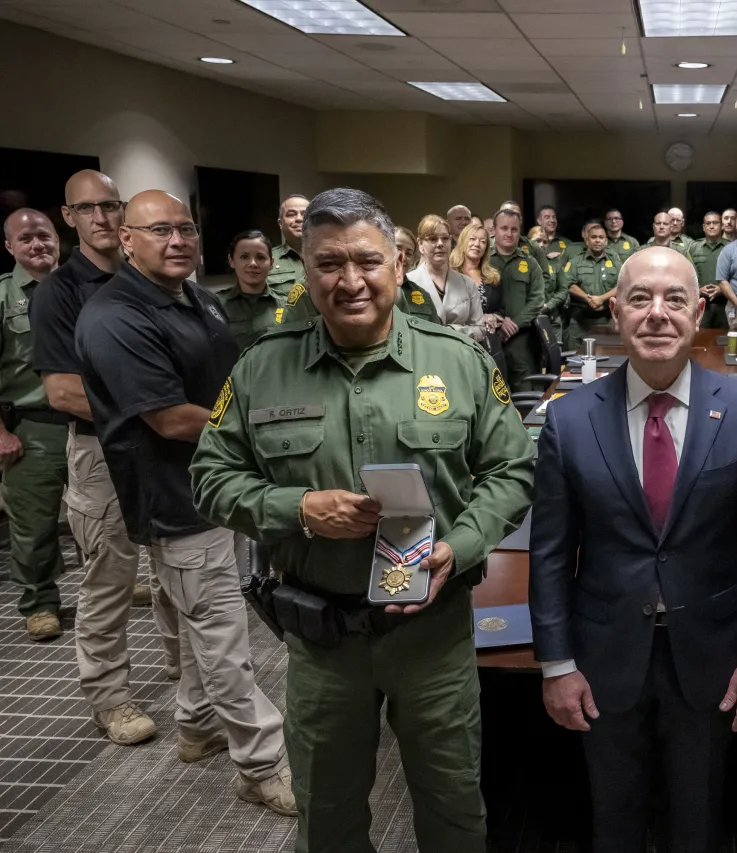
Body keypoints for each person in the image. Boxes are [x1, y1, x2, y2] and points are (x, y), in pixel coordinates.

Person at [191, 187, 535, 852]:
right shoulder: (263, 367)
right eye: (328, 263)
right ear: (305, 266)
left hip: (431, 636)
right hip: (323, 641)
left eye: (367, 261)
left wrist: (460, 545)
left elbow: (512, 470)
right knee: (329, 817)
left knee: (455, 809)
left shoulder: (456, 361)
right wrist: (298, 509)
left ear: (396, 263)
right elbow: (210, 477)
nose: (350, 280)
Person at [531, 246, 737, 853]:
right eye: (640, 299)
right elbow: (549, 553)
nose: (657, 314)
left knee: (697, 820)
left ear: (698, 312)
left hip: (713, 656)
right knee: (613, 819)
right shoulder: (567, 421)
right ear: (616, 312)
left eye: (675, 299)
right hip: (602, 654)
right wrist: (556, 664)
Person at [75, 189, 294, 814]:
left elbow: (223, 385)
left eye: (186, 228)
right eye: (160, 230)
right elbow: (169, 419)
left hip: (220, 488)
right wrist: (263, 433)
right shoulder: (116, 316)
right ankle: (262, 764)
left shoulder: (195, 297)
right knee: (225, 633)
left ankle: (198, 725)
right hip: (176, 500)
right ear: (127, 240)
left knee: (208, 618)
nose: (177, 241)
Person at [30, 170, 174, 743]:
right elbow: (63, 392)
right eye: (88, 209)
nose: (102, 218)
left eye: (111, 206)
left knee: (174, 571)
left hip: (163, 450)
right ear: (70, 217)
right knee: (110, 579)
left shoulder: (155, 280)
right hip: (101, 452)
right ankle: (110, 697)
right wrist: (154, 406)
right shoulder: (59, 292)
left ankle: (187, 677)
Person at [1, 209, 69, 641]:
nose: (37, 244)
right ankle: (40, 602)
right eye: (25, 239)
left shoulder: (83, 288)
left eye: (43, 235)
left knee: (102, 514)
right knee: (34, 523)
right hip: (33, 426)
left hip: (92, 424)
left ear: (57, 238)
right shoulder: (3, 298)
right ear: (10, 247)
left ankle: (112, 583)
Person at [218, 230, 317, 351]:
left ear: (271, 263)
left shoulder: (288, 305)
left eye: (260, 257)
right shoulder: (216, 305)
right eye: (244, 257)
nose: (253, 264)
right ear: (232, 261)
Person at [490, 209, 546, 391]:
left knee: (525, 390)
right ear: (494, 230)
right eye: (504, 228)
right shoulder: (482, 261)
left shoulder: (530, 263)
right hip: (489, 338)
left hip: (522, 341)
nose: (509, 233)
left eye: (514, 229)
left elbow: (537, 300)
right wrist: (499, 322)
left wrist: (514, 323)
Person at [409, 214, 485, 340]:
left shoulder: (467, 283)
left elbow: (480, 329)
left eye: (445, 239)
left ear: (451, 241)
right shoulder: (409, 282)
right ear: (420, 244)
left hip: (460, 353)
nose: (440, 244)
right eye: (433, 239)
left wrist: (453, 331)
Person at [453, 221, 507, 374]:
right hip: (460, 345)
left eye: (483, 242)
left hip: (489, 346)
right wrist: (479, 318)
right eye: (472, 239)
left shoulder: (492, 276)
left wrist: (493, 317)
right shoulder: (449, 272)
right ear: (463, 241)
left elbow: (501, 310)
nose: (477, 244)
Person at [560, 220, 621, 350]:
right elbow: (569, 284)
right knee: (576, 363)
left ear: (606, 241)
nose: (597, 240)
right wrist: (588, 298)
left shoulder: (615, 262)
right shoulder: (575, 261)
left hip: (607, 320)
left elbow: (621, 285)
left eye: (601, 237)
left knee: (608, 358)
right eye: (593, 237)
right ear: (587, 240)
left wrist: (601, 299)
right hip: (580, 321)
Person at [688, 211, 730, 328]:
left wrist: (723, 290)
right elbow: (687, 274)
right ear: (703, 227)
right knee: (700, 340)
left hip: (725, 305)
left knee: (724, 341)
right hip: (701, 305)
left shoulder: (731, 248)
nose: (711, 226)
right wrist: (698, 290)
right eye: (708, 223)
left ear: (721, 226)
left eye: (715, 223)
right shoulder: (694, 248)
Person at [269, 194, 310, 289]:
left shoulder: (331, 255)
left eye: (305, 214)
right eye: (291, 214)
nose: (299, 219)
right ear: (280, 223)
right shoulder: (266, 259)